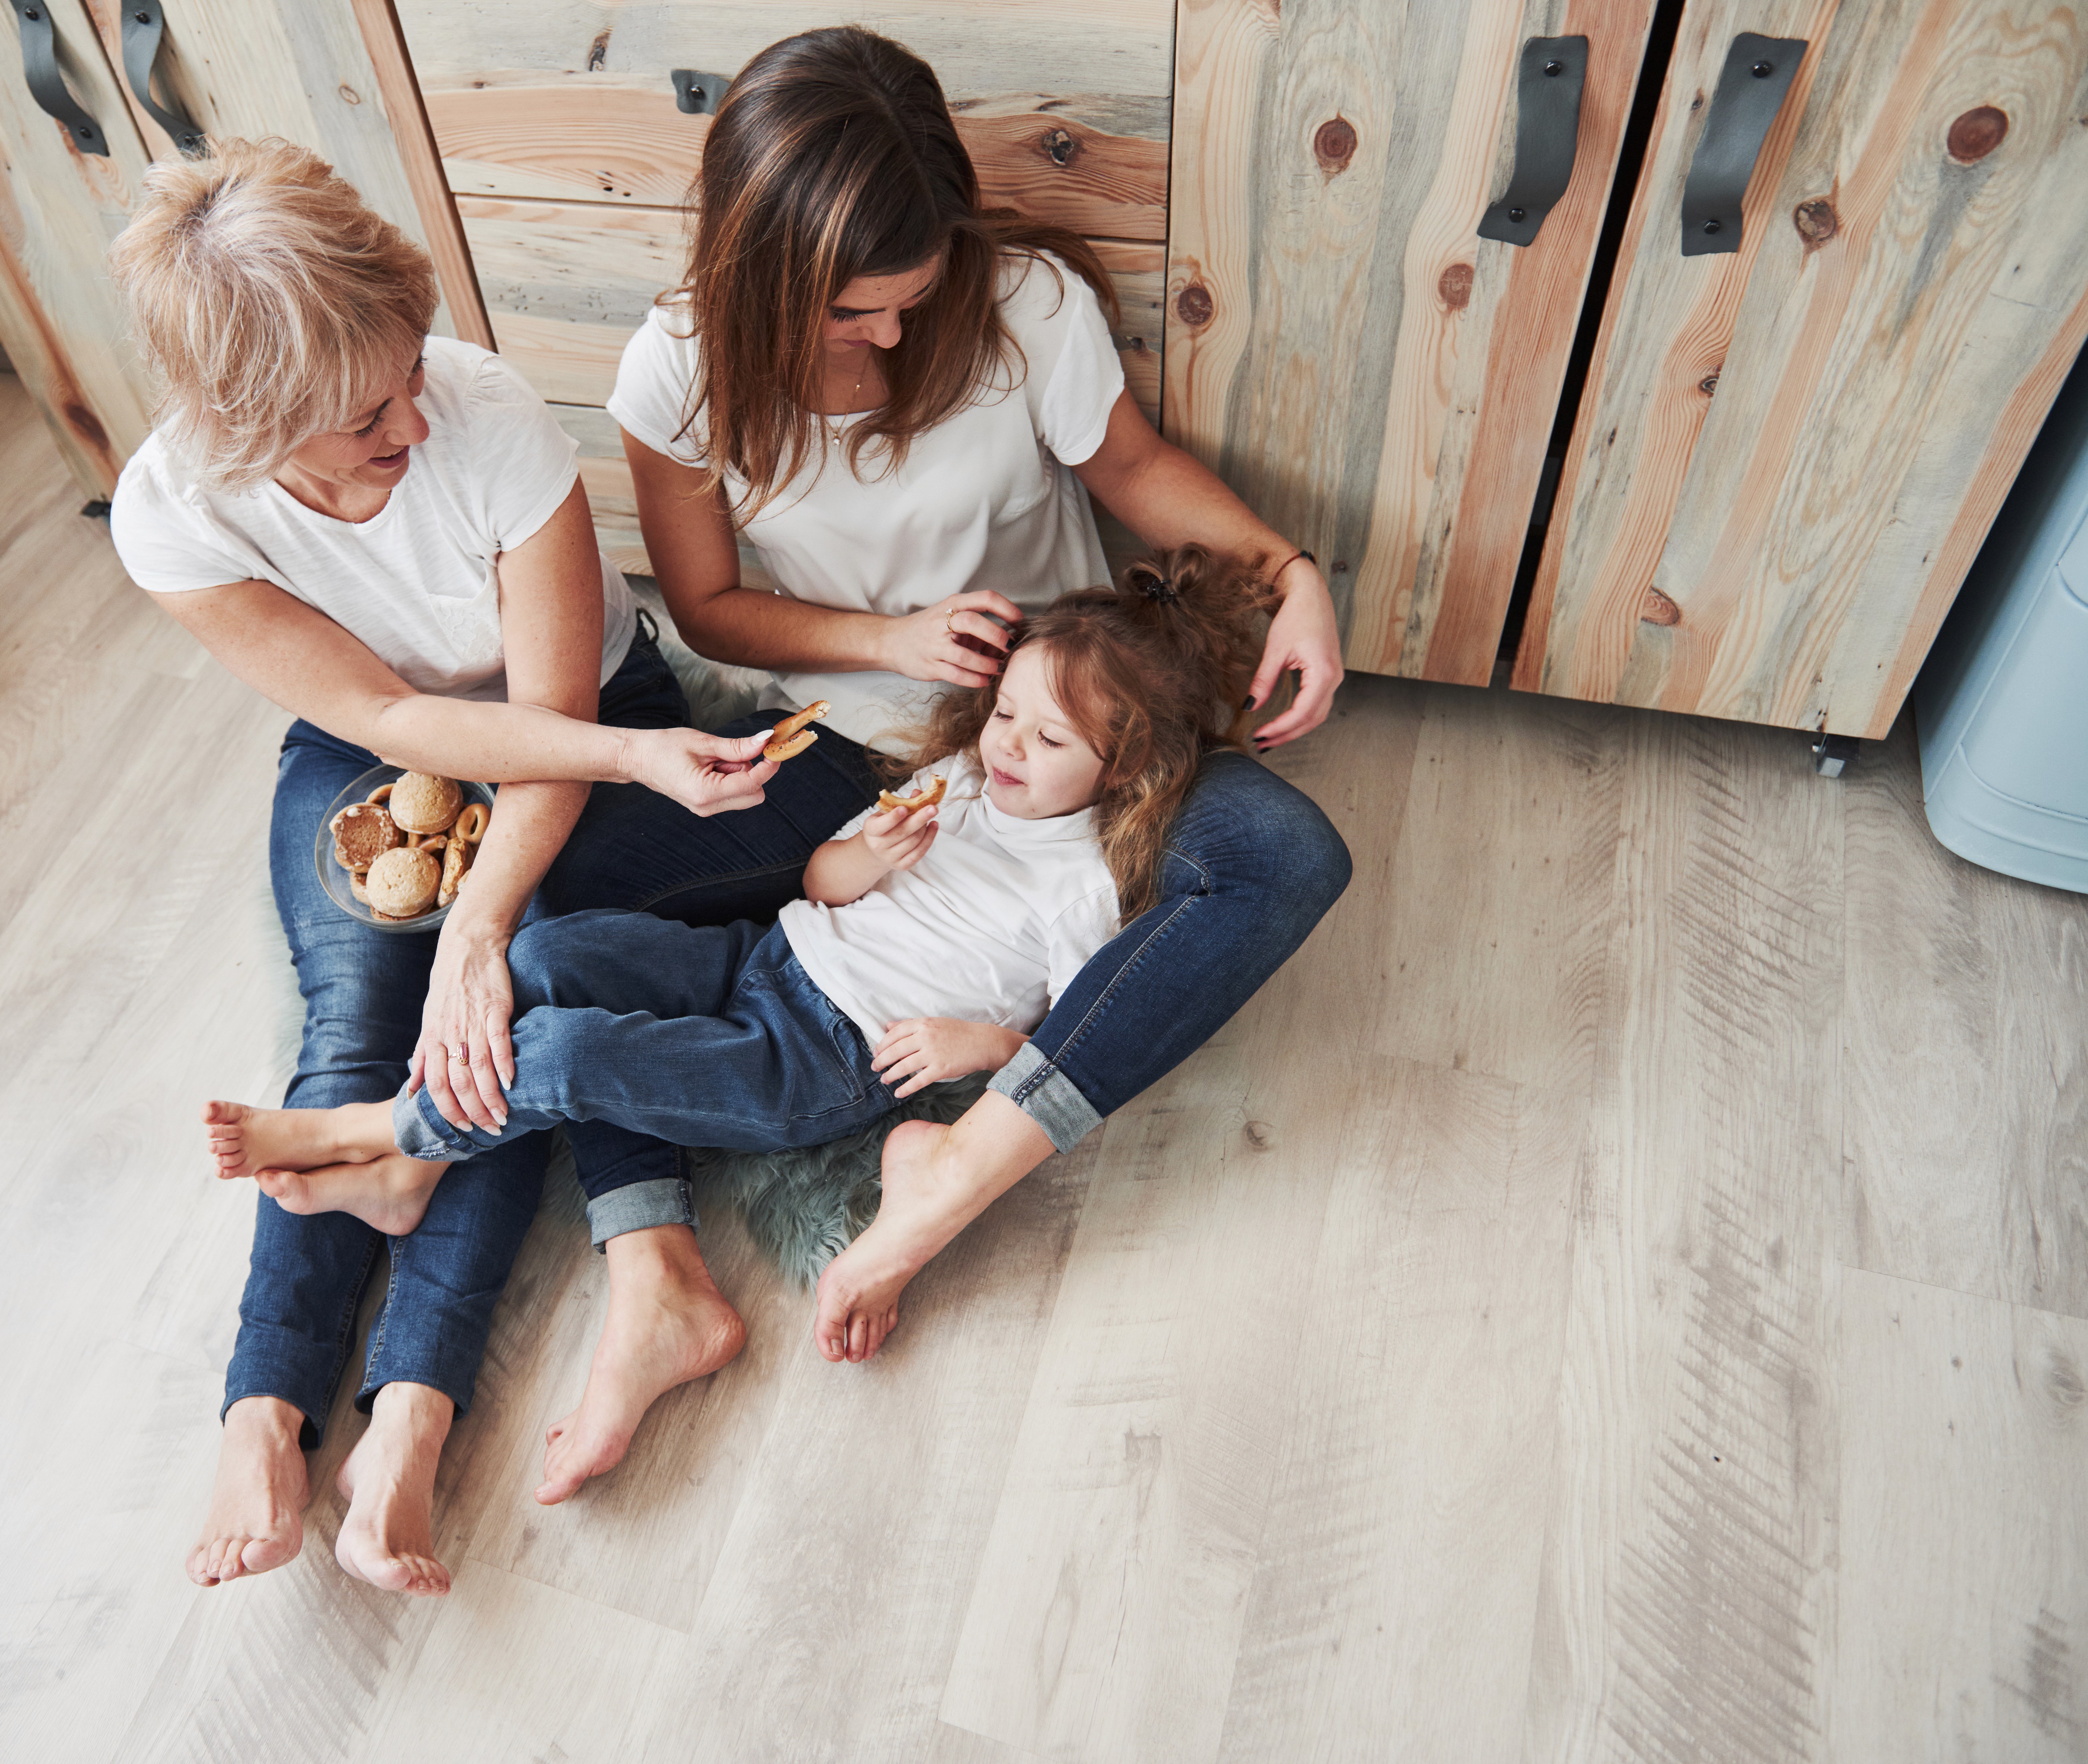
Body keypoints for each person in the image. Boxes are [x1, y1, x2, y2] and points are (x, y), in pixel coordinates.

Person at [473, 20, 1353, 1455]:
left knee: (1283, 851)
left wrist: (1287, 572)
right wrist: (885, 638)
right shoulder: (676, 371)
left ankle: (956, 1171)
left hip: (1037, 723)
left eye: (907, 299)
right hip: (835, 734)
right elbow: (707, 606)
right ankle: (651, 1266)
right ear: (759, 272)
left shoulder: (1025, 305)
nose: (888, 336)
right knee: (556, 895)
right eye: (848, 313)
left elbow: (1128, 469)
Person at [107, 138, 775, 1598]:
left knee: (496, 1019)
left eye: (413, 370)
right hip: (373, 742)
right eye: (365, 415)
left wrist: (483, 926)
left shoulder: (484, 417)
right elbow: (392, 717)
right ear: (242, 422)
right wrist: (462, 928)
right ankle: (264, 1412)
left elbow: (554, 719)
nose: (416, 410)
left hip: (581, 723)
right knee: (356, 1029)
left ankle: (406, 1421)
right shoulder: (173, 511)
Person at [206, 549, 1273, 1370]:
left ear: (1124, 767)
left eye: (1046, 745)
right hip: (769, 960)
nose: (1005, 749)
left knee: (572, 1056)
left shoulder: (1080, 884)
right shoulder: (956, 776)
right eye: (1005, 716)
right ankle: (418, 1166)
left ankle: (377, 1133)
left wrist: (980, 1043)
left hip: (823, 1061)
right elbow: (814, 885)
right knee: (555, 950)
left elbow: (1075, 1037)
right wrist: (865, 854)